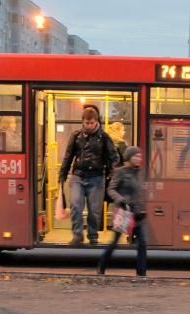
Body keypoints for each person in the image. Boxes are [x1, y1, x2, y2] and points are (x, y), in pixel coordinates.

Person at [57, 106, 119, 245]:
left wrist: (114, 174)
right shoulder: (76, 135)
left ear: (96, 122)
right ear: (83, 122)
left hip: (97, 177)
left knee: (94, 210)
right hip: (78, 176)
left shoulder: (104, 137)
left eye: (91, 123)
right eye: (86, 123)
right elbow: (68, 156)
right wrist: (62, 175)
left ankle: (92, 235)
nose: (88, 126)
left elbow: (113, 157)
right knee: (75, 206)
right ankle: (78, 234)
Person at [97, 146, 147, 277]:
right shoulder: (121, 172)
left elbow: (139, 193)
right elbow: (111, 189)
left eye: (140, 157)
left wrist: (142, 208)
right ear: (129, 157)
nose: (138, 159)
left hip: (136, 212)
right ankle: (101, 266)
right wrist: (121, 199)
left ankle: (141, 273)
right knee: (115, 242)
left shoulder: (139, 173)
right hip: (124, 212)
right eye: (136, 156)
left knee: (142, 242)